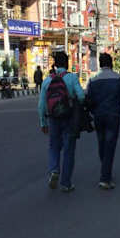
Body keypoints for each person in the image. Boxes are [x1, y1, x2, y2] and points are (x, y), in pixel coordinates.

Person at [38, 53, 86, 193]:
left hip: (53, 119)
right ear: (67, 63)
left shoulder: (47, 81)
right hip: (69, 118)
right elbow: (81, 96)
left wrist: (43, 122)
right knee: (69, 150)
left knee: (54, 146)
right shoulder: (72, 78)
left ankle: (54, 170)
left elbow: (41, 105)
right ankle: (66, 183)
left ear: (55, 64)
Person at [87, 53, 120, 190]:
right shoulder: (118, 78)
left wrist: (91, 113)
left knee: (102, 144)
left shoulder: (92, 80)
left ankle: (105, 172)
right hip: (113, 116)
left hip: (98, 117)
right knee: (110, 146)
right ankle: (105, 178)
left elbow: (87, 98)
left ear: (100, 64)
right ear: (111, 63)